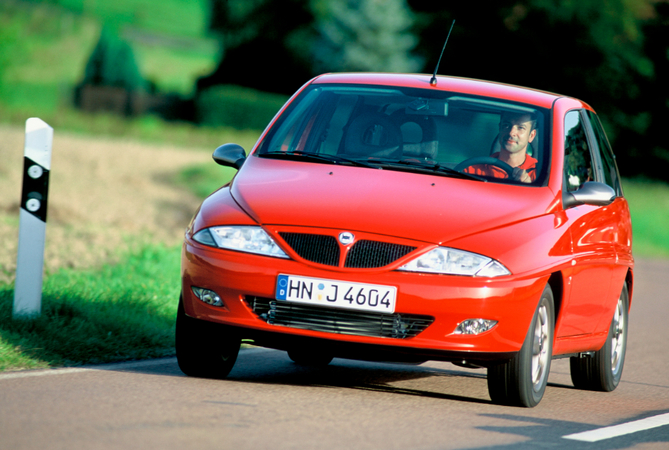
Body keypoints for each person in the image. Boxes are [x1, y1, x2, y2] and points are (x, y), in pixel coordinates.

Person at [465, 112, 538, 183]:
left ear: (531, 136)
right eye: (506, 125)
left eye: (520, 127)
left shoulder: (540, 175)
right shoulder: (473, 170)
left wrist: (529, 188)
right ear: (500, 128)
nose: (511, 133)